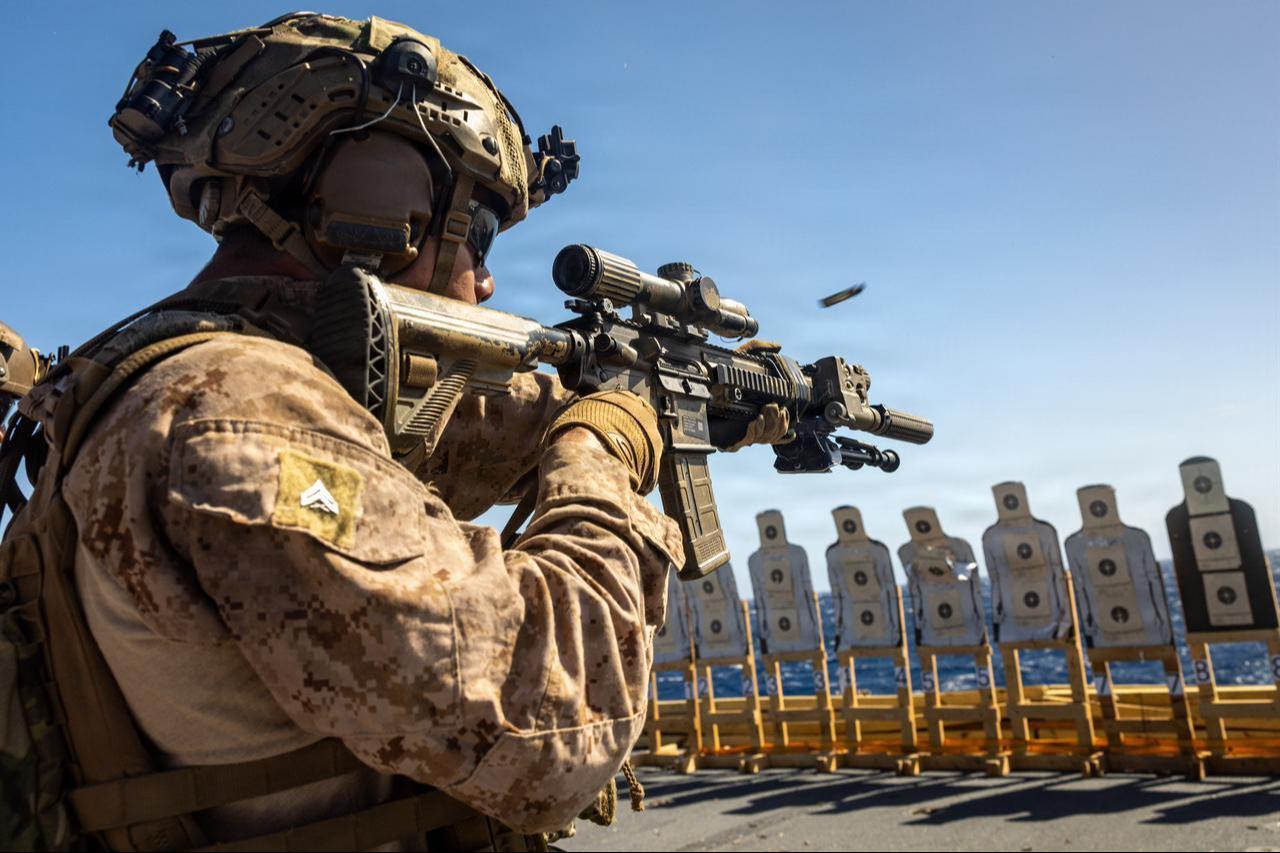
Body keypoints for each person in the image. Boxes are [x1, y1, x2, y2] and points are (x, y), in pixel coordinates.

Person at [2, 13, 724, 850]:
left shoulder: (179, 375)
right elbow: (552, 726)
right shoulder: (240, 410)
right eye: (479, 233)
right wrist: (601, 452)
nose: (487, 281)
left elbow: (427, 441)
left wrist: (633, 406)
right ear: (382, 205)